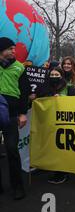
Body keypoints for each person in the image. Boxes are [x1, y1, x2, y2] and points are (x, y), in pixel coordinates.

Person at [0, 37, 30, 200]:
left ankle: (18, 187)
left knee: (12, 150)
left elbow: (24, 92)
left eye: (14, 48)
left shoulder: (19, 67)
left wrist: (23, 113)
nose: (14, 51)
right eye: (10, 48)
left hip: (11, 114)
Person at [37, 67, 75, 184]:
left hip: (64, 123)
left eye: (57, 75)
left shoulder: (69, 87)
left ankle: (62, 172)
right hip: (49, 123)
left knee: (62, 148)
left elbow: (74, 102)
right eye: (52, 75)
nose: (54, 77)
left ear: (61, 76)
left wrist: (61, 99)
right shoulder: (44, 87)